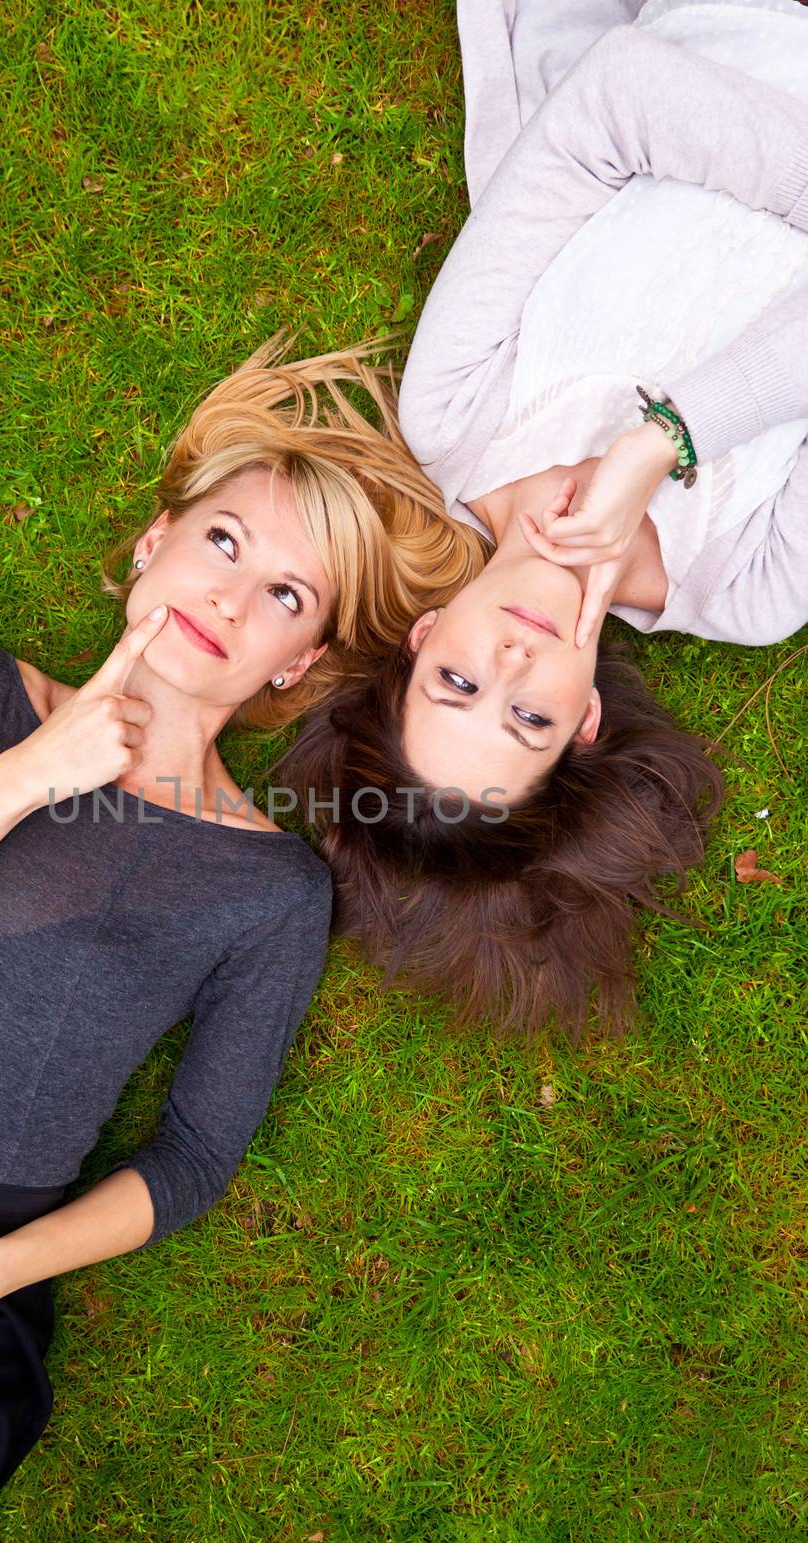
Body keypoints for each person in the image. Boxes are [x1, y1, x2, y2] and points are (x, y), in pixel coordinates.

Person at [0, 338, 480, 1543]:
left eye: (288, 599)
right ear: (155, 544)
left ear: (290, 667)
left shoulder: (269, 892)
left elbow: (194, 1153)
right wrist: (34, 773)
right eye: (225, 544)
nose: (235, 599)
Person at [281, 1, 808, 1036]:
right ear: (585, 723)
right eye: (527, 718)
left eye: (459, 683)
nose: (513, 664)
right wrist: (657, 446)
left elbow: (616, 100)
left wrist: (657, 444)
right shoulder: (752, 585)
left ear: (422, 636)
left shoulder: (456, 413)